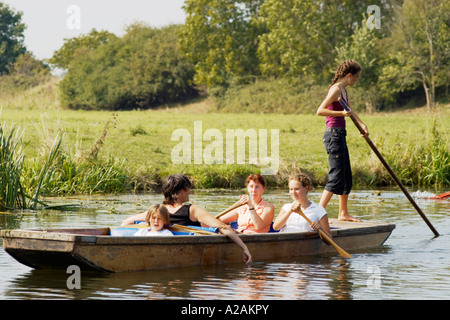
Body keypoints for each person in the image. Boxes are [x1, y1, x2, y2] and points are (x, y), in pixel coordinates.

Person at [122, 174, 252, 264]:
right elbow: (223, 227)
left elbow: (127, 222)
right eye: (187, 189)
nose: (189, 192)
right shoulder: (192, 210)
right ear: (178, 192)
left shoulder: (158, 211)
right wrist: (244, 247)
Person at [316, 59, 368, 222]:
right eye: (356, 77)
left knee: (346, 175)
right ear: (349, 75)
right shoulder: (336, 90)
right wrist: (340, 114)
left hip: (340, 135)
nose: (356, 80)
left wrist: (362, 124)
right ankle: (316, 214)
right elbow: (320, 111)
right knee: (336, 176)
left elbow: (349, 112)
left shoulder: (344, 91)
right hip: (333, 136)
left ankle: (343, 213)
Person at [272, 173, 332, 244]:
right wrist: (290, 211)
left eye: (296, 189)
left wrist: (320, 229)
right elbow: (276, 227)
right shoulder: (286, 207)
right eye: (291, 189)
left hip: (303, 245)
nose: (293, 192)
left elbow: (329, 241)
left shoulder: (319, 210)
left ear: (306, 188)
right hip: (283, 244)